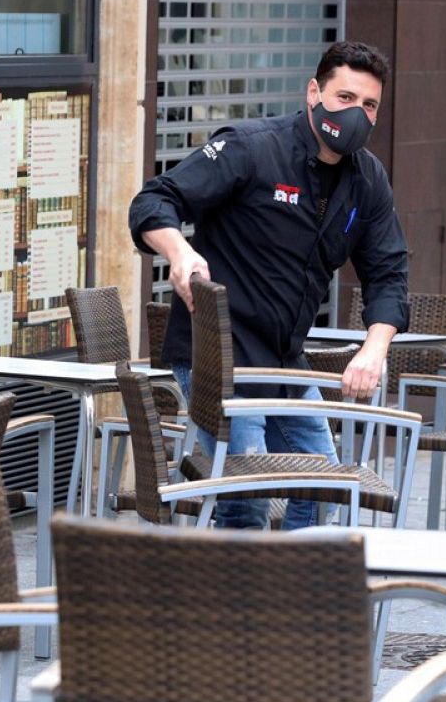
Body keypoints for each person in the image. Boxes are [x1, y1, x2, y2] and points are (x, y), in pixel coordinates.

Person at [128, 40, 410, 529]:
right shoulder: (252, 146)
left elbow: (388, 271)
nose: (357, 115)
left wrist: (374, 348)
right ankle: (238, 604)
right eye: (346, 99)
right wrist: (180, 252)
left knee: (325, 487)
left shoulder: (368, 181)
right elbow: (156, 199)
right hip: (218, 357)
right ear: (313, 93)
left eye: (370, 106)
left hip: (284, 362)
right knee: (248, 495)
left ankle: (289, 596)